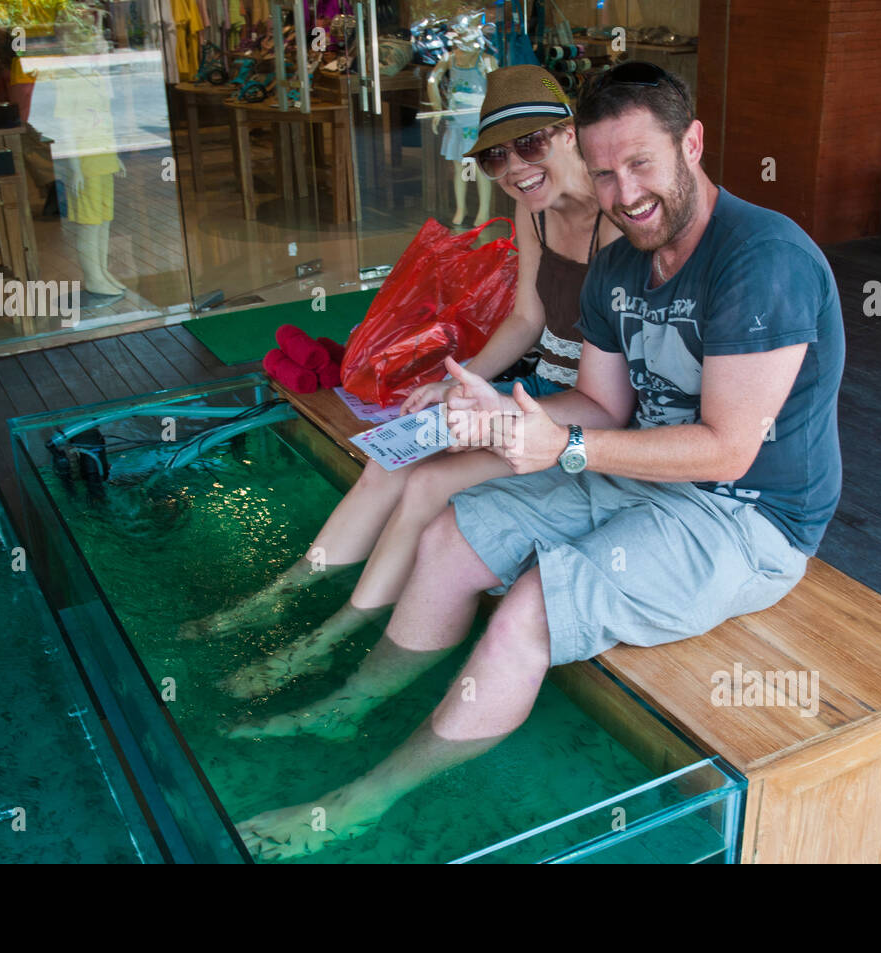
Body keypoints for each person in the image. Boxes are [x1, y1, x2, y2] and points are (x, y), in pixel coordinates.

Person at [233, 62, 846, 860]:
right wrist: (500, 416)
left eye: (641, 164)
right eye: (604, 173)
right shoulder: (623, 259)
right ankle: (351, 701)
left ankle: (363, 800)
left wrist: (570, 445)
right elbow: (598, 405)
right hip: (640, 473)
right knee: (450, 536)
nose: (623, 193)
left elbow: (729, 445)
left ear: (691, 144)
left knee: (529, 608)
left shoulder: (762, 259)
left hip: (748, 514)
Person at [178, 65, 622, 701]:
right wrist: (462, 381)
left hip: (566, 414)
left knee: (426, 483)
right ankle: (281, 595)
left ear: (572, 133)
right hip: (529, 384)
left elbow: (611, 390)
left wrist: (495, 403)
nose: (514, 168)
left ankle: (328, 639)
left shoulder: (619, 225)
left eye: (532, 144)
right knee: (387, 459)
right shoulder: (536, 213)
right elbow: (526, 317)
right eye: (497, 156)